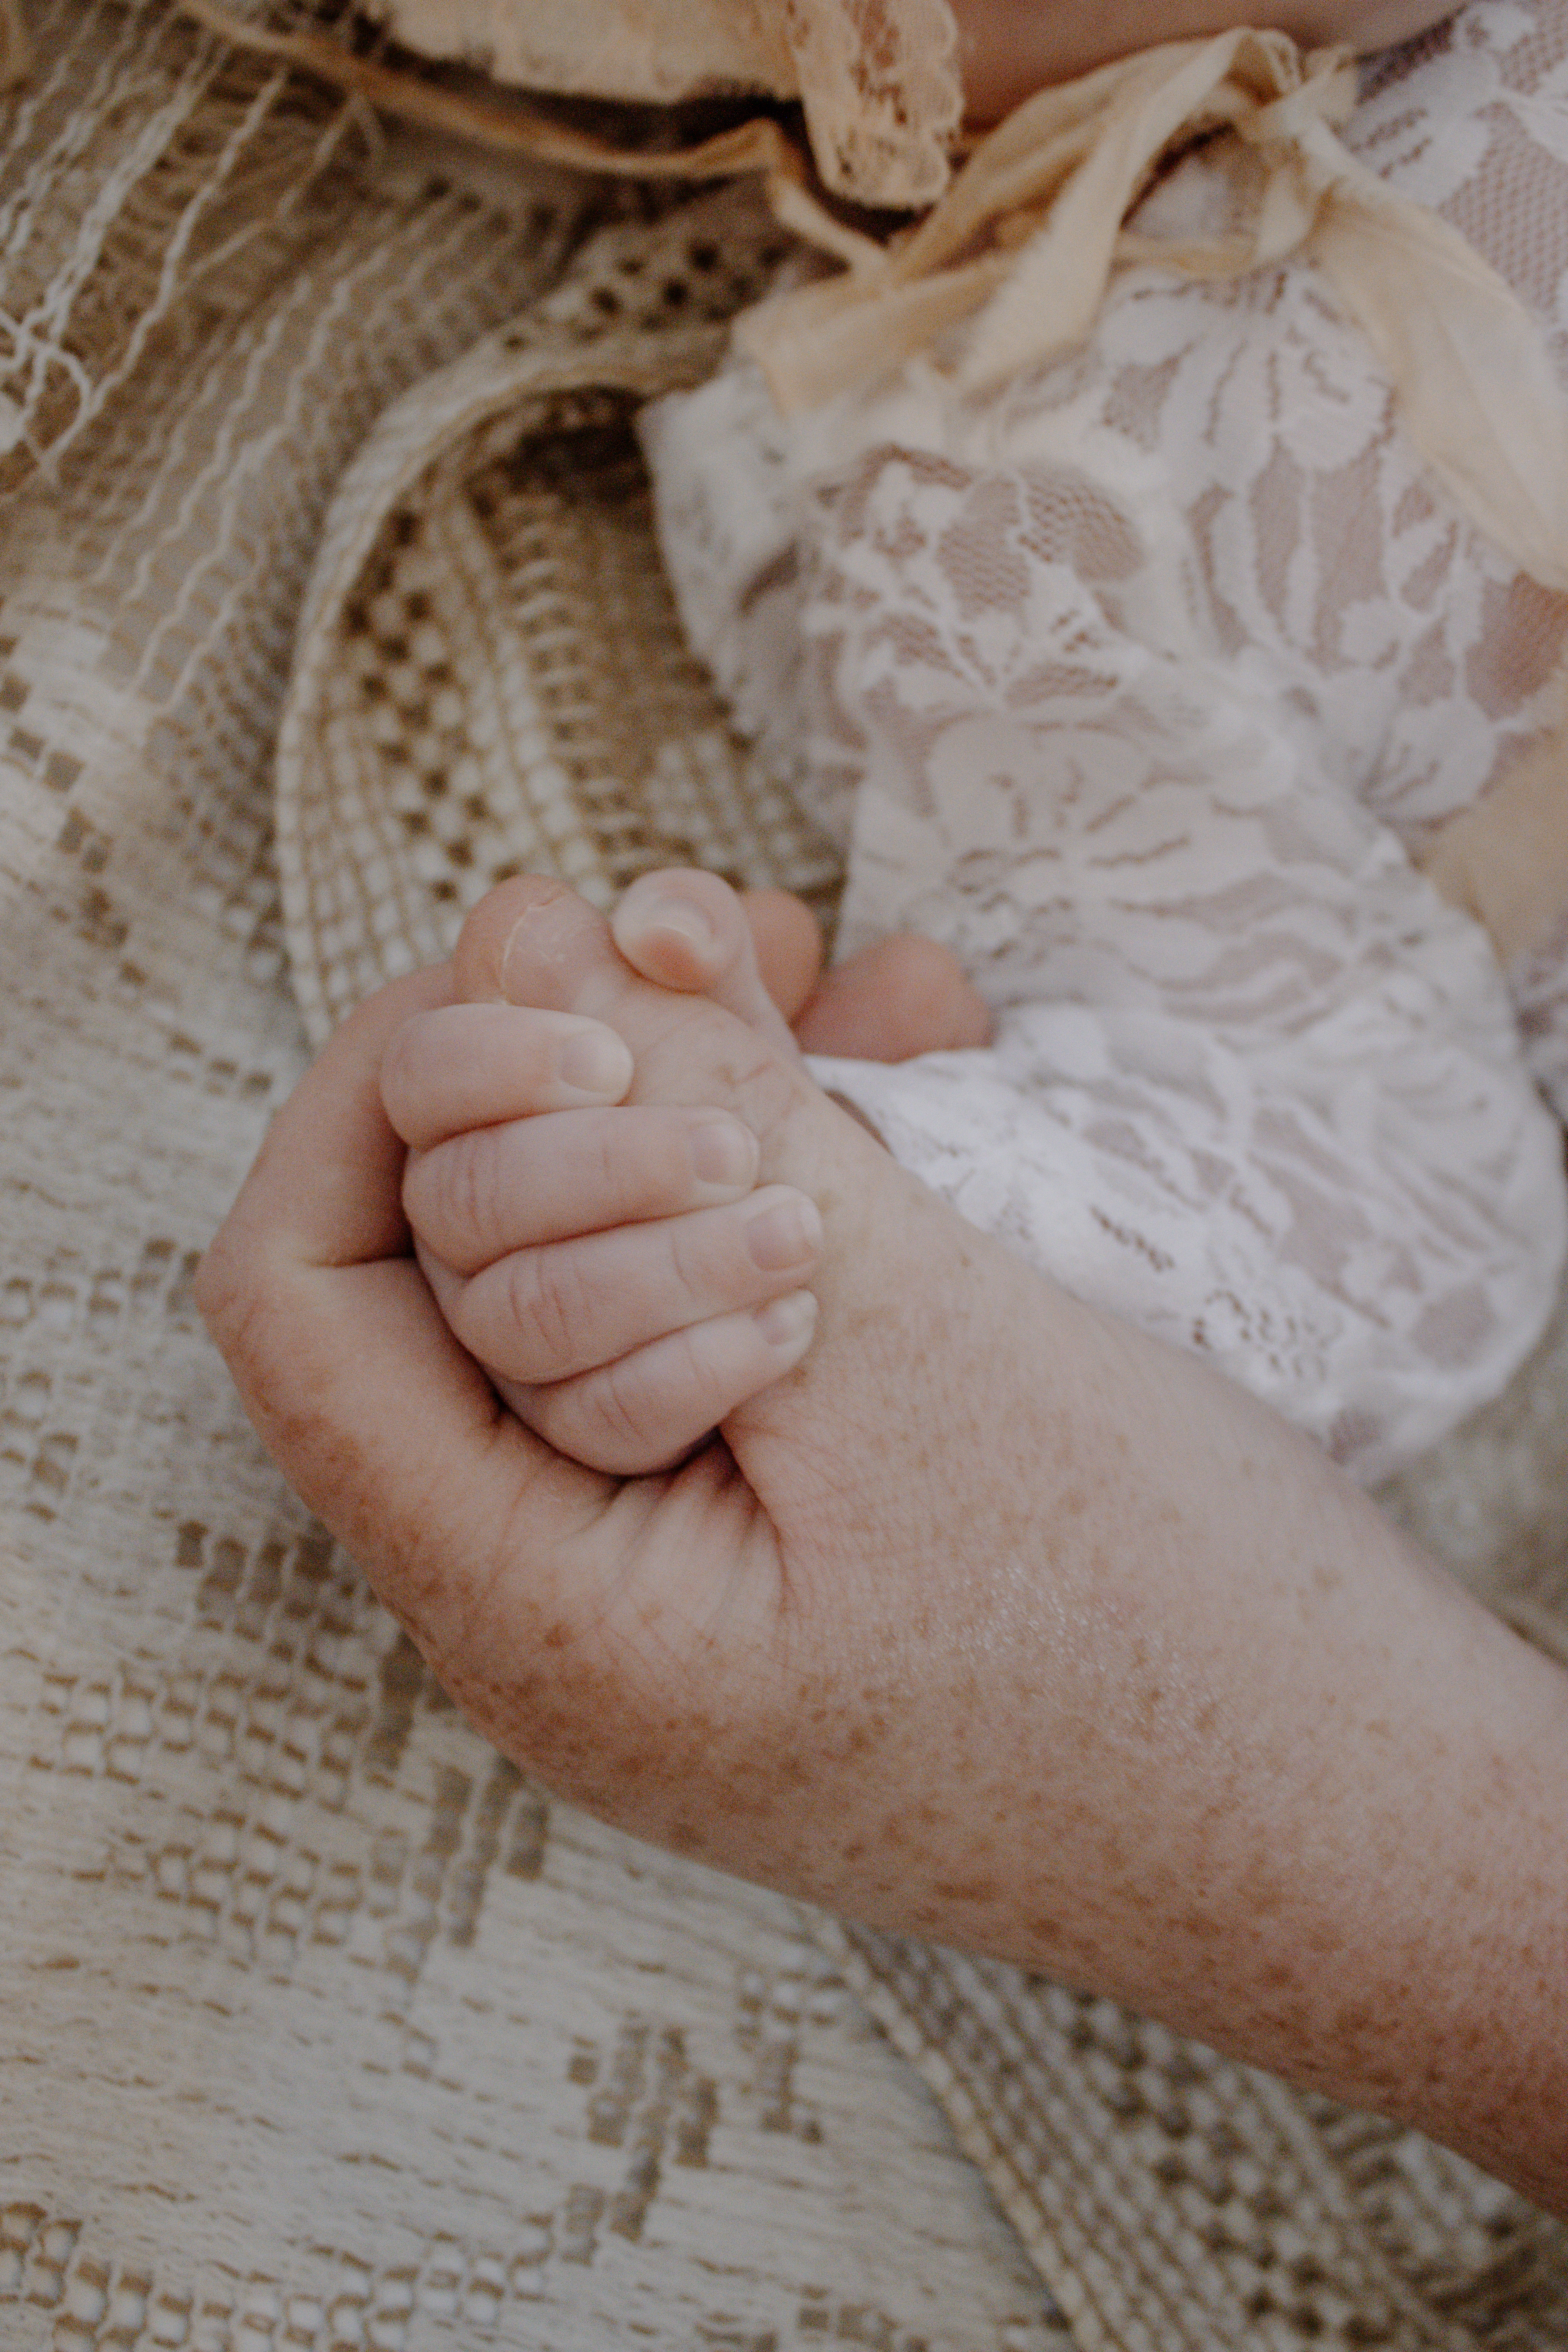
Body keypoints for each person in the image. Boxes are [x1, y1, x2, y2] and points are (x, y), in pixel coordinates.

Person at [199, 0, 1568, 2218]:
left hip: (1218, 683)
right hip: (1183, 298)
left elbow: (1335, 1193)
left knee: (1085, 1226)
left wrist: (842, 1211)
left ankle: (827, 1197)